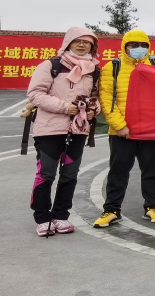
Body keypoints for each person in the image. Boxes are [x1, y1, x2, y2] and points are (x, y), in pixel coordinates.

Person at [26, 27, 100, 237]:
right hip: (49, 129)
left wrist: (93, 110)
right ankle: (42, 217)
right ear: (68, 42)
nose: (82, 45)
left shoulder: (94, 69)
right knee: (46, 174)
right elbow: (35, 94)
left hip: (78, 130)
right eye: (77, 41)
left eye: (87, 42)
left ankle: (61, 215)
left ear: (92, 46)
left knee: (70, 175)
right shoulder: (51, 65)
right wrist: (65, 107)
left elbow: (95, 96)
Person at [93, 30, 155, 229]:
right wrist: (120, 125)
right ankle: (111, 209)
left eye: (143, 45)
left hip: (151, 130)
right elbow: (107, 99)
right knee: (118, 172)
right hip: (121, 132)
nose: (139, 49)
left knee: (152, 171)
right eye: (133, 45)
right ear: (124, 47)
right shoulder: (112, 67)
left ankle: (152, 206)